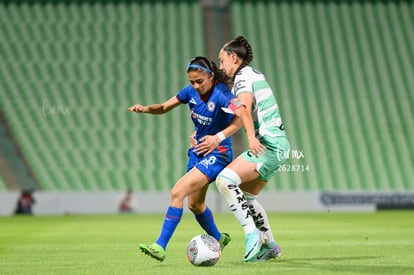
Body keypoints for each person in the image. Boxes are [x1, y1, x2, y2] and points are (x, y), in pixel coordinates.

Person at [128, 56, 250, 262]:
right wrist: (146, 108)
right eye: (192, 81)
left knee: (177, 192)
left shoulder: (221, 94)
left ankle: (160, 246)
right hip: (197, 152)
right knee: (195, 205)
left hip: (218, 153)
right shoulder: (189, 92)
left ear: (211, 76)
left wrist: (218, 137)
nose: (195, 86)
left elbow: (242, 116)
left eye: (199, 81)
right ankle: (220, 239)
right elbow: (165, 107)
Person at [195, 36, 291, 262]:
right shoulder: (253, 74)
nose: (220, 66)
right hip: (280, 145)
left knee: (224, 180)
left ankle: (252, 234)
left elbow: (244, 110)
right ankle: (270, 245)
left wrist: (245, 138)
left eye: (222, 60)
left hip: (269, 144)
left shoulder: (243, 78)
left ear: (234, 58)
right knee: (246, 196)